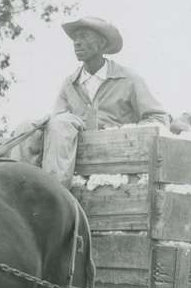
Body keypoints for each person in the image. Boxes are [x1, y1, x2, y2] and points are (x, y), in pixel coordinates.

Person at [11, 16, 169, 186]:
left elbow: (158, 119)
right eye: (75, 38)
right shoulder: (70, 83)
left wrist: (126, 134)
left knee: (60, 124)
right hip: (74, 157)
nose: (76, 43)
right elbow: (56, 120)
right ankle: (19, 190)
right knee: (27, 127)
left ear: (101, 43)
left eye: (84, 36)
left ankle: (54, 194)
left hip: (115, 158)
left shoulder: (128, 79)